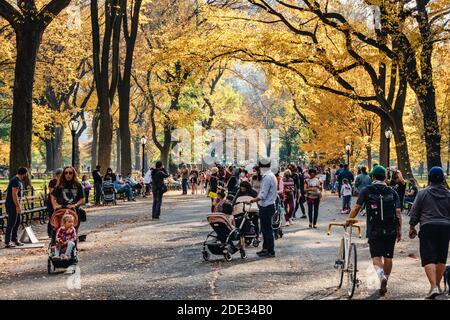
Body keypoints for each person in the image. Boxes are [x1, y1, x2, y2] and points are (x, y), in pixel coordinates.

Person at [346, 165, 402, 296]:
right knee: (388, 256)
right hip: (391, 229)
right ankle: (385, 280)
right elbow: (398, 212)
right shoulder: (392, 191)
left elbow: (356, 208)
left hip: (374, 228)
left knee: (376, 256)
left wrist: (348, 220)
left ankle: (381, 276)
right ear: (385, 177)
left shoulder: (367, 190)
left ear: (373, 177)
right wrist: (399, 230)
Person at [409, 167, 450, 299]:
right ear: (443, 179)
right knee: (441, 257)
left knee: (428, 257)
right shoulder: (449, 194)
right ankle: (436, 286)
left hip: (428, 227)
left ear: (429, 178)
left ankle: (433, 287)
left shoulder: (423, 193)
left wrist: (412, 226)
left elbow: (415, 212)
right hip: (445, 228)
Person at [246, 159, 278, 258]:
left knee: (267, 229)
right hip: (267, 205)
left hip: (266, 206)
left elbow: (262, 195)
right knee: (264, 229)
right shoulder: (270, 175)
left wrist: (251, 201)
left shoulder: (267, 177)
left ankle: (270, 251)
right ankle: (265, 249)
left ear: (261, 167)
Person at [4, 167, 28, 248]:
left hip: (15, 204)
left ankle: (15, 239)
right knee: (11, 222)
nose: (27, 176)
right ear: (24, 173)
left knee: (17, 222)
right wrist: (17, 206)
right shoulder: (15, 180)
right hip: (12, 205)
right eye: (26, 174)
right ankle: (8, 241)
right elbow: (14, 195)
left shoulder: (18, 180)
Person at [47, 168, 63, 238]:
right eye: (59, 175)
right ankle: (50, 232)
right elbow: (51, 193)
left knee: (59, 217)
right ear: (56, 175)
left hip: (59, 202)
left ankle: (58, 231)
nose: (60, 177)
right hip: (51, 202)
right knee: (52, 217)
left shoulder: (63, 182)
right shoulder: (52, 182)